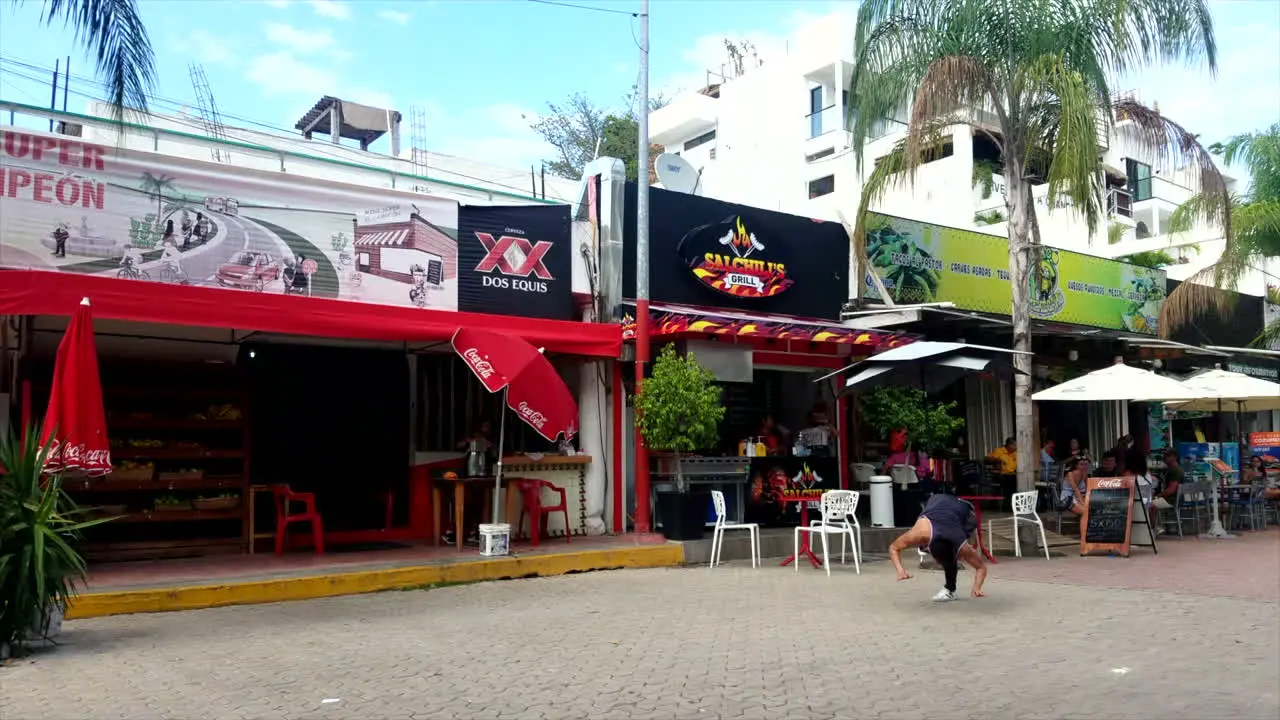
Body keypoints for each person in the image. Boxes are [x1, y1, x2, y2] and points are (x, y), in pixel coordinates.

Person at [888, 493, 987, 601]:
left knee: (951, 559)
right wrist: (900, 571)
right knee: (950, 557)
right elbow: (893, 548)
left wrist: (977, 588)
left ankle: (950, 589)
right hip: (938, 501)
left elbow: (981, 567)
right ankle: (950, 588)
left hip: (964, 511)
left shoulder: (961, 544)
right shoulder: (920, 532)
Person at [1149, 449, 1183, 534]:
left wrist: (1157, 496)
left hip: (1171, 500)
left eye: (1167, 456)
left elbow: (1171, 490)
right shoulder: (1170, 469)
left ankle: (1154, 528)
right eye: (1164, 456)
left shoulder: (1175, 470)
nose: (1164, 458)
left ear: (1174, 457)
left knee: (1150, 505)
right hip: (1170, 498)